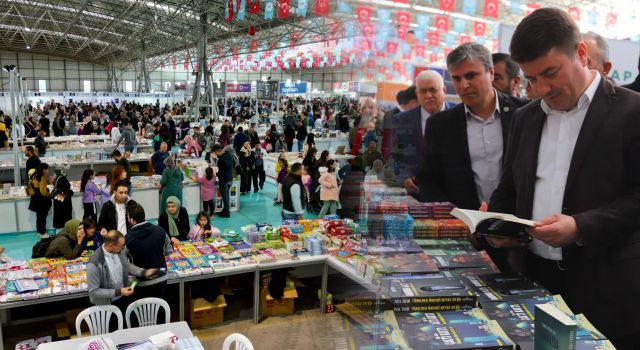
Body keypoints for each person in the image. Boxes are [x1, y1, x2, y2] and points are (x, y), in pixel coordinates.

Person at [488, 8, 640, 348]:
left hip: (608, 290)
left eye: (550, 73)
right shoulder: (526, 119)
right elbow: (509, 185)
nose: (541, 88)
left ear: (582, 54)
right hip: (535, 282)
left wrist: (581, 226)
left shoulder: (632, 112)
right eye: (530, 79)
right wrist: (497, 226)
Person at [416, 43, 529, 213]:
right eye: (457, 78)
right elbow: (429, 180)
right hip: (465, 229)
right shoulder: (440, 125)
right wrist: (452, 220)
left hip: (519, 225)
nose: (464, 85)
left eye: (471, 76)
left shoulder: (524, 113)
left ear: (490, 73)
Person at [392, 70, 454, 192]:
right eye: (423, 91)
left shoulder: (461, 115)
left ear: (444, 90)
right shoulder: (401, 120)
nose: (428, 95)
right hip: (417, 194)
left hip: (455, 195)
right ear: (416, 93)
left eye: (433, 90)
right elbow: (393, 157)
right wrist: (403, 178)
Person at [87, 229, 158, 309]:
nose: (123, 248)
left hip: (123, 298)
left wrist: (144, 272)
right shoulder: (94, 263)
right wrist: (119, 291)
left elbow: (126, 265)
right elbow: (94, 291)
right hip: (106, 305)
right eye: (121, 245)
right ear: (111, 246)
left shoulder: (119, 251)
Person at [124, 204, 173, 301]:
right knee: (160, 308)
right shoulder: (161, 231)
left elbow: (123, 262)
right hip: (161, 278)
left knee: (145, 312)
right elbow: (168, 252)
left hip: (142, 283)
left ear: (132, 220)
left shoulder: (127, 239)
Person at [27, 163, 51, 239]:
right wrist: (49, 194)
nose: (48, 171)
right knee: (42, 217)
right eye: (47, 169)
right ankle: (43, 233)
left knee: (39, 217)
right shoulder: (42, 177)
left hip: (35, 199)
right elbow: (43, 192)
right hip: (41, 201)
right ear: (43, 169)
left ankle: (39, 232)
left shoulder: (34, 175)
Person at [211, 144, 233, 218]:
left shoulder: (221, 160)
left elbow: (221, 172)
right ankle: (225, 210)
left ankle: (226, 213)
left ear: (216, 151)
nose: (215, 154)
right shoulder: (228, 154)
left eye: (214, 152)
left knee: (225, 197)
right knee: (227, 197)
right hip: (230, 178)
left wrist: (216, 174)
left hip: (224, 180)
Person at [52, 164, 73, 229]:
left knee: (59, 217)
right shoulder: (63, 179)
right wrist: (71, 192)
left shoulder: (56, 177)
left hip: (58, 200)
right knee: (65, 218)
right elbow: (66, 191)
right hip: (64, 203)